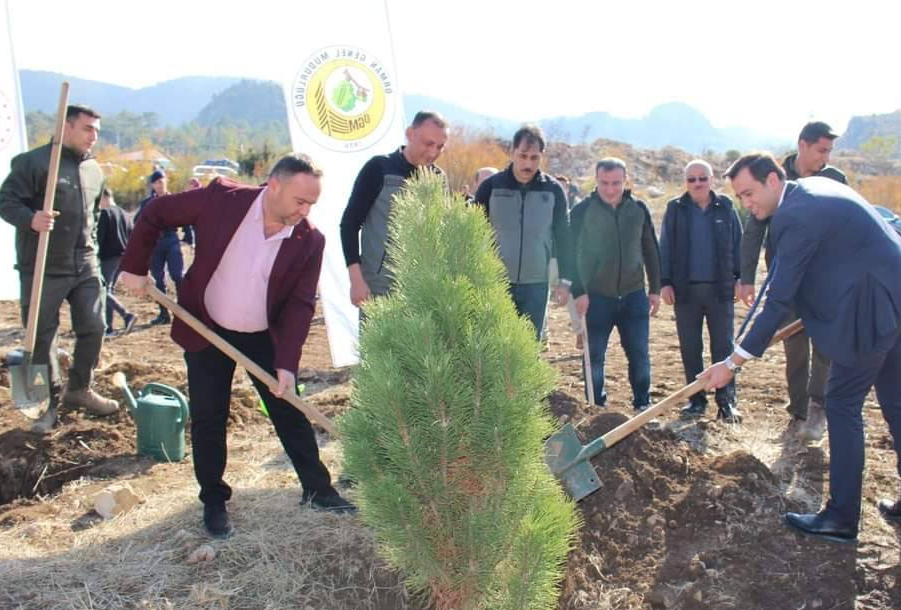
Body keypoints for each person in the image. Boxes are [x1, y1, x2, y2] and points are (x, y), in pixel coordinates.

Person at [117, 154, 355, 539]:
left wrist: (287, 365)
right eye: (300, 200)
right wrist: (135, 266)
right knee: (210, 416)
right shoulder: (221, 200)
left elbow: (299, 306)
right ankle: (214, 501)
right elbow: (156, 213)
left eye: (312, 203)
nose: (306, 210)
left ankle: (318, 489)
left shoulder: (309, 239)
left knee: (288, 407)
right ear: (273, 185)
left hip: (262, 335)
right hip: (206, 327)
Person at [702, 153, 901, 544]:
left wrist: (733, 362)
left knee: (842, 403)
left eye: (749, 193)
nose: (747, 204)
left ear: (774, 179)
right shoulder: (815, 190)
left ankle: (841, 517)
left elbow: (776, 299)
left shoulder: (795, 215)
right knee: (896, 398)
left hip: (874, 307)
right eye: (740, 197)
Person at [0, 104, 118, 433]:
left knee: (95, 326)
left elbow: (92, 217)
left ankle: (79, 389)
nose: (94, 136)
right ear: (66, 128)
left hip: (84, 265)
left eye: (97, 130)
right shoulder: (34, 164)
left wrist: (91, 250)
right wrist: (31, 219)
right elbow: (5, 202)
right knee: (41, 339)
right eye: (88, 128)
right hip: (43, 267)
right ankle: (44, 405)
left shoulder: (94, 169)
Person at [738, 121, 848, 441]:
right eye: (821, 150)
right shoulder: (776, 178)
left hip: (825, 281)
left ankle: (818, 407)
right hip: (787, 279)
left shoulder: (835, 180)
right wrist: (746, 277)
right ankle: (799, 412)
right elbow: (754, 229)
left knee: (826, 347)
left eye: (829, 151)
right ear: (803, 145)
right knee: (795, 349)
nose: (825, 157)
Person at [569, 158, 660, 410]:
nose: (610, 189)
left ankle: (642, 403)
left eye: (616, 183)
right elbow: (568, 253)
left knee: (639, 354)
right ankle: (595, 407)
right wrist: (578, 291)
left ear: (625, 180)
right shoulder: (581, 211)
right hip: (595, 297)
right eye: (604, 183)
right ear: (596, 180)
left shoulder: (638, 209)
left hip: (633, 296)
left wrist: (654, 289)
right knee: (594, 356)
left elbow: (651, 249)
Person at [659, 160, 742, 422]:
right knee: (690, 348)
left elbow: (739, 243)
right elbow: (666, 247)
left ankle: (726, 402)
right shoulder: (675, 208)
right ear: (685, 183)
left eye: (702, 178)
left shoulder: (726, 206)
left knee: (724, 348)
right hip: (685, 292)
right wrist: (664, 282)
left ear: (712, 179)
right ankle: (696, 401)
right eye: (692, 179)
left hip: (720, 291)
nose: (697, 184)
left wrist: (740, 278)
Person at [473, 124, 574, 340]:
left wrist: (565, 280)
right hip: (496, 283)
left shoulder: (553, 190)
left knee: (529, 348)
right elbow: (470, 234)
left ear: (542, 156)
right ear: (513, 152)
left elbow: (564, 237)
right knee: (495, 345)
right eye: (523, 156)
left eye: (534, 158)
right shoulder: (491, 187)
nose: (528, 163)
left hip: (536, 285)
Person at [341, 111, 448, 310]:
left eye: (440, 147)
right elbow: (349, 224)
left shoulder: (438, 178)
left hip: (420, 290)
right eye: (428, 143)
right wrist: (356, 280)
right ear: (410, 133)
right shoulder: (378, 168)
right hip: (378, 288)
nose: (433, 153)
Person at [135, 169, 187, 325]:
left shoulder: (175, 200)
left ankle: (184, 311)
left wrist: (190, 239)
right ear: (152, 184)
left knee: (177, 275)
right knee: (158, 280)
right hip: (155, 243)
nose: (159, 185)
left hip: (172, 240)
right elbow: (139, 222)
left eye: (161, 181)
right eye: (156, 182)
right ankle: (164, 314)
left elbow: (187, 218)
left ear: (166, 181)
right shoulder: (147, 203)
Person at [95, 187, 137, 337]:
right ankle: (108, 328)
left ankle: (126, 315)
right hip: (123, 256)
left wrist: (95, 255)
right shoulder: (125, 214)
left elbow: (100, 237)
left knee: (103, 290)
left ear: (104, 197)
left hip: (109, 257)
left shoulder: (105, 213)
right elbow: (133, 235)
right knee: (109, 290)